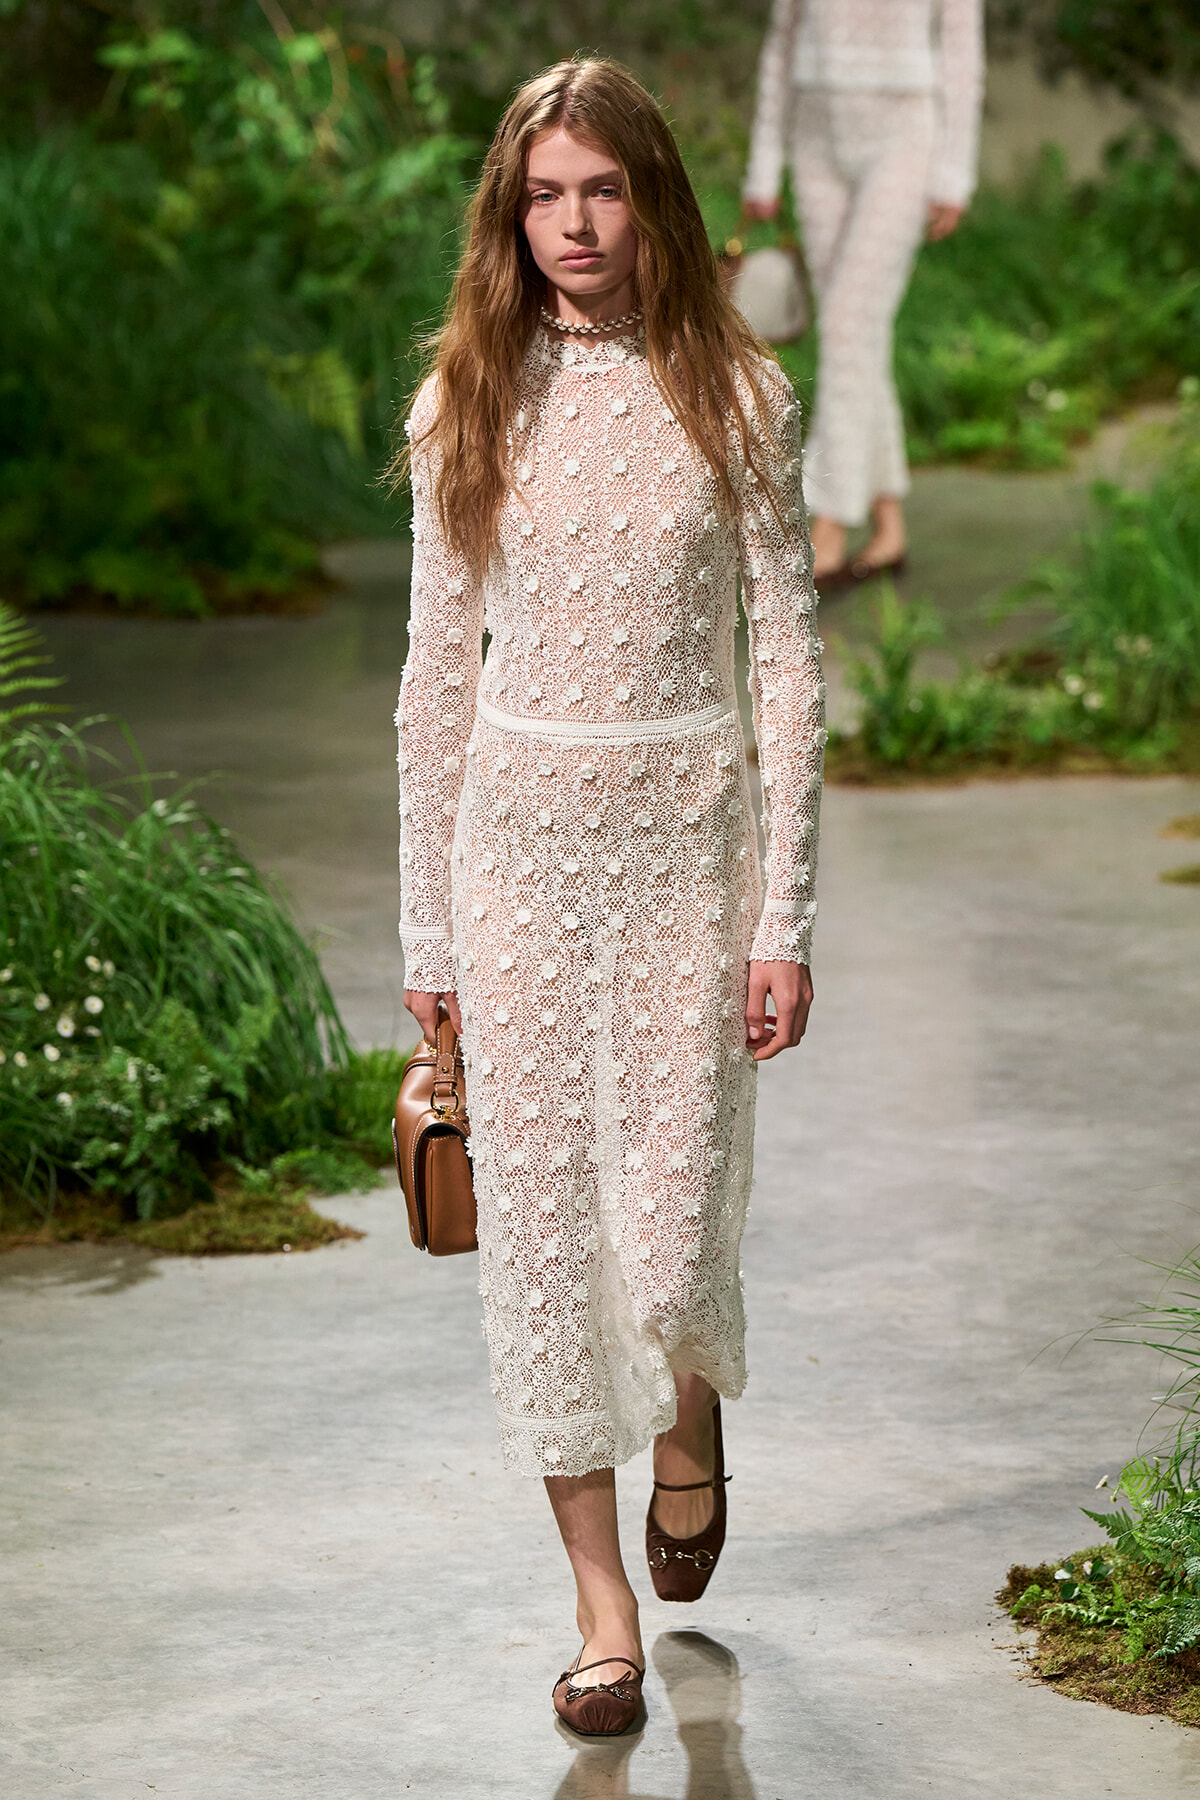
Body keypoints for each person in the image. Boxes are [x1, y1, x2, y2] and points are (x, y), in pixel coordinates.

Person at [394, 56, 824, 1737]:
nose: (574, 226)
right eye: (544, 197)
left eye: (604, 190)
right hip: (515, 863)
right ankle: (600, 1610)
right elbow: (435, 680)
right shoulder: (469, 401)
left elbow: (786, 664)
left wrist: (785, 917)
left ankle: (689, 1415)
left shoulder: (739, 398)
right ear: (511, 217)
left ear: (653, 202)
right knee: (547, 1248)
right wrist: (427, 932)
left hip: (689, 858)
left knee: (671, 1228)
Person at [742, 0, 984, 584]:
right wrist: (765, 163)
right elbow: (782, 40)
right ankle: (889, 527)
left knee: (848, 325)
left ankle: (824, 522)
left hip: (904, 135)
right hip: (815, 132)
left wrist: (955, 171)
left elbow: (961, 50)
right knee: (858, 339)